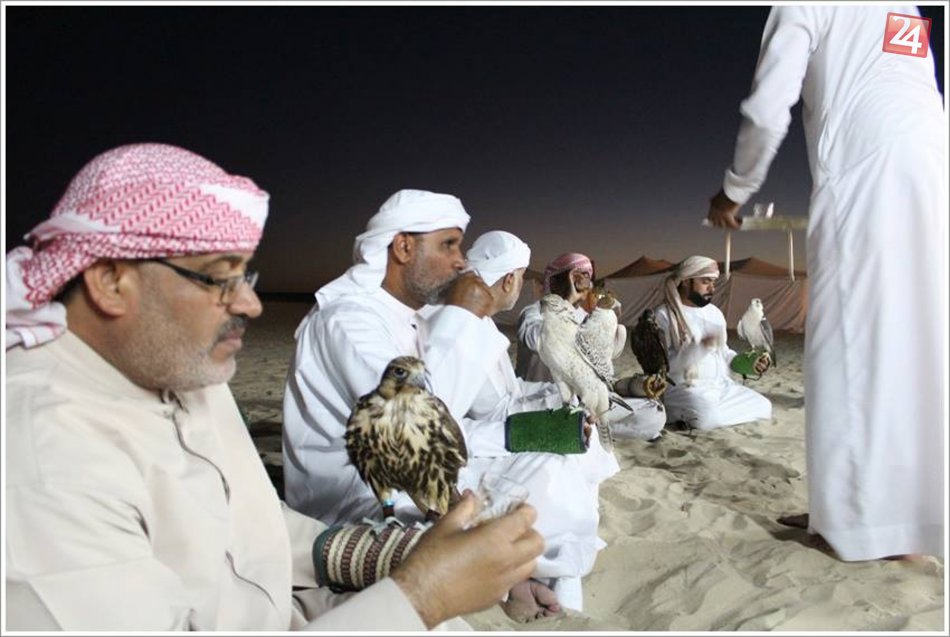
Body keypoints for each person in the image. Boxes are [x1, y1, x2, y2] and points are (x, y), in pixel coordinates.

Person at [5, 144, 545, 631]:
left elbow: (249, 525)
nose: (249, 305)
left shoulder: (177, 367)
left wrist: (387, 556)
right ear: (110, 283)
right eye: (219, 278)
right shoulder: (45, 461)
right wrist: (422, 596)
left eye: (247, 276)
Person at [282, 191, 603, 616]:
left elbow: (444, 422)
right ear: (403, 247)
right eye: (448, 245)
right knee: (531, 495)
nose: (460, 261)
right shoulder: (348, 320)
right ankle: (532, 587)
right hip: (357, 500)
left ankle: (544, 586)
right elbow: (418, 425)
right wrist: (463, 316)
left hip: (416, 479)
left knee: (551, 471)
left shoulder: (405, 319)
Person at [707, 5, 945, 561]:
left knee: (844, 345)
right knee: (921, 339)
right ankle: (918, 516)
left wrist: (735, 188)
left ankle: (851, 526)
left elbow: (769, 108)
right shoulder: (903, 5)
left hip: (863, 173)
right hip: (934, 166)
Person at [515, 252, 667, 441]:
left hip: (584, 403)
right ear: (554, 281)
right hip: (543, 401)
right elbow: (538, 340)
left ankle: (583, 428)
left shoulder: (588, 318)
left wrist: (636, 386)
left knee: (653, 411)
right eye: (576, 277)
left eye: (587, 277)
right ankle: (579, 428)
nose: (583, 283)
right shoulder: (534, 312)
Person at [653, 256, 772, 431]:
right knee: (706, 417)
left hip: (721, 386)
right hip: (684, 388)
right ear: (685, 281)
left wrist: (748, 363)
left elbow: (724, 353)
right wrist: (700, 348)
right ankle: (683, 413)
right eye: (705, 282)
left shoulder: (714, 313)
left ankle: (698, 416)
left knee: (764, 406)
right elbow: (662, 367)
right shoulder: (664, 315)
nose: (712, 288)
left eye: (713, 282)